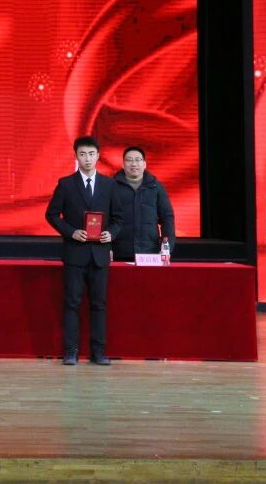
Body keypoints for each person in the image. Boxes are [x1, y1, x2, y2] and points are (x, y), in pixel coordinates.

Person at [45, 135, 124, 366]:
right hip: (75, 253)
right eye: (82, 154)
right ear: (76, 157)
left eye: (91, 154)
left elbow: (119, 218)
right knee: (72, 303)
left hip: (100, 254)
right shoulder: (66, 184)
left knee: (99, 304)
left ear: (98, 156)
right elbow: (51, 215)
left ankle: (98, 352)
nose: (87, 159)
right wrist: (71, 232)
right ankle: (71, 351)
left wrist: (111, 233)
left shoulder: (110, 185)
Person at [112, 146, 175, 261]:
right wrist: (106, 248)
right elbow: (106, 219)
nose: (134, 164)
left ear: (144, 164)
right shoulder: (111, 186)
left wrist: (167, 247)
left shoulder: (156, 187)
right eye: (129, 160)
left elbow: (167, 218)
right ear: (123, 164)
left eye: (138, 160)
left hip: (149, 252)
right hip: (119, 251)